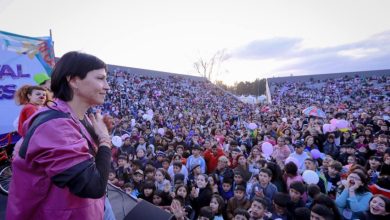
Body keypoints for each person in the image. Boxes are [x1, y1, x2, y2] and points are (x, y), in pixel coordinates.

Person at [7, 51, 112, 220]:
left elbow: (95, 165)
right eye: (100, 78)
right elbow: (93, 186)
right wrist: (105, 139)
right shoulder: (54, 127)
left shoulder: (81, 117)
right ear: (73, 80)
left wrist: (101, 137)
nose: (107, 86)